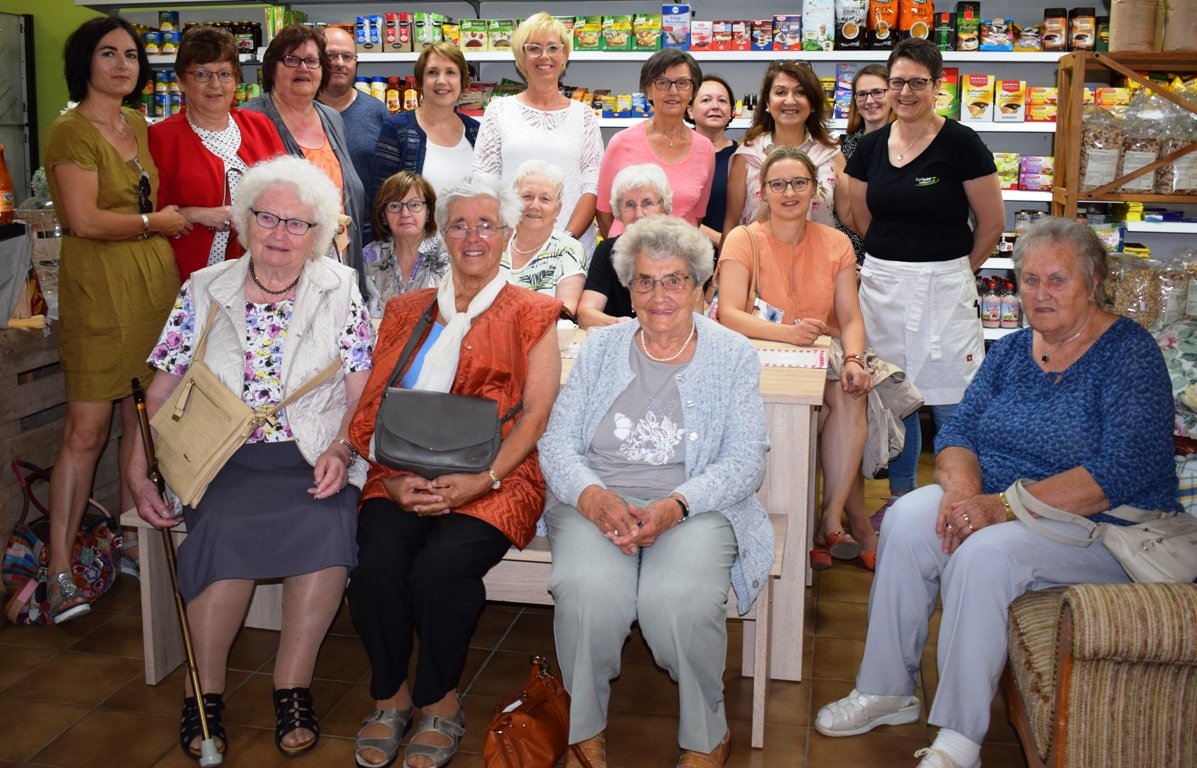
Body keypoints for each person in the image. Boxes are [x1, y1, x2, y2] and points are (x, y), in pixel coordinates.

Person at [814, 217, 1180, 768]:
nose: (1039, 294)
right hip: (1010, 506)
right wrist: (964, 496)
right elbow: (960, 431)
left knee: (982, 556)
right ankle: (888, 688)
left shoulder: (1129, 354)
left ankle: (959, 737)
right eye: (1029, 280)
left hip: (1103, 526)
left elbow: (1126, 468)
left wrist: (1003, 507)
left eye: (1057, 280)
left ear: (1093, 280)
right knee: (911, 519)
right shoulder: (1011, 352)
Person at [127, 156, 374, 761]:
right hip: (223, 457)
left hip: (312, 450)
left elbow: (360, 389)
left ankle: (292, 686)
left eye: (297, 224)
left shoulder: (338, 287)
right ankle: (202, 693)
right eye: (268, 218)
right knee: (224, 530)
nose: (281, 234)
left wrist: (343, 448)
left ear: (317, 235)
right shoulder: (204, 287)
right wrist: (135, 471)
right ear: (245, 221)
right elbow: (160, 387)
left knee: (329, 520)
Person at [538, 214, 773, 768]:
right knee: (588, 591)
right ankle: (585, 730)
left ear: (700, 287)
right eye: (645, 281)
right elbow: (556, 444)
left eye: (675, 280)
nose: (659, 294)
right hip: (597, 502)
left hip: (695, 505)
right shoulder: (601, 347)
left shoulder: (732, 353)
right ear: (628, 287)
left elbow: (744, 461)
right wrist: (593, 497)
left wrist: (676, 506)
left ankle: (707, 732)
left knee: (678, 603)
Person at [347, 174, 562, 768]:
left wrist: (484, 479)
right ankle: (391, 696)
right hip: (398, 471)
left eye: (486, 224)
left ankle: (440, 703)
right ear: (443, 233)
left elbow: (537, 415)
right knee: (377, 564)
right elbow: (369, 408)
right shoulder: (405, 309)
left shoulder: (534, 312)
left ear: (507, 234)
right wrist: (389, 478)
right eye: (461, 224)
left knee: (441, 569)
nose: (473, 236)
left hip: (499, 478)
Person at [42, 16, 189, 623]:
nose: (124, 65)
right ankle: (58, 570)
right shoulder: (69, 133)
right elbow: (85, 220)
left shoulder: (135, 123)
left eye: (131, 55)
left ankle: (130, 543)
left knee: (143, 423)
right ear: (85, 63)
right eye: (109, 54)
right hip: (99, 292)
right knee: (85, 430)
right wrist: (163, 223)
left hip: (152, 289)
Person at [845, 38, 1004, 512]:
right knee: (896, 398)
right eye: (898, 82)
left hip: (945, 289)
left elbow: (991, 224)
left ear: (938, 86)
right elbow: (859, 217)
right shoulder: (870, 147)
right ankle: (900, 502)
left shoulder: (962, 144)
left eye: (918, 82)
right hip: (883, 288)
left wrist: (953, 271)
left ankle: (961, 501)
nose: (906, 92)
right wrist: (898, 263)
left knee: (951, 399)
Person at [716, 147, 875, 569]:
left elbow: (850, 316)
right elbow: (729, 314)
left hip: (819, 362)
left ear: (816, 191)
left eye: (799, 183)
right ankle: (807, 522)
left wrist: (856, 359)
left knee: (849, 392)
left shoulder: (836, 242)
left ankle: (829, 517)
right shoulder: (743, 238)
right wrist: (788, 333)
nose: (789, 192)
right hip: (756, 363)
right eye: (778, 184)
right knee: (815, 409)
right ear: (762, 192)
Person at [149, 25, 285, 281]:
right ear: (180, 81)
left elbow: (286, 192)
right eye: (201, 74)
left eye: (224, 73)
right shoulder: (161, 138)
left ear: (236, 79)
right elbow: (148, 216)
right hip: (188, 277)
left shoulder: (259, 126)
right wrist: (194, 214)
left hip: (262, 274)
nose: (215, 84)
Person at [242, 24, 367, 288]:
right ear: (272, 69)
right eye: (291, 59)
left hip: (337, 258)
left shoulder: (331, 118)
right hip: (277, 264)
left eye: (312, 61)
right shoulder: (249, 119)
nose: (303, 68)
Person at [473, 13, 603, 254]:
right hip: (510, 249)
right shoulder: (499, 111)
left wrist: (563, 242)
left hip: (571, 250)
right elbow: (484, 183)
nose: (545, 56)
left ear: (564, 55)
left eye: (553, 47)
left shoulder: (584, 117)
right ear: (521, 56)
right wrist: (508, 238)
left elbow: (592, 188)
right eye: (534, 48)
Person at [596, 49, 715, 238]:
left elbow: (697, 215)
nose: (673, 91)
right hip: (629, 257)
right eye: (663, 83)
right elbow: (604, 213)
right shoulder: (621, 143)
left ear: (693, 91)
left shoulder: (705, 149)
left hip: (680, 257)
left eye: (683, 83)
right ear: (648, 90)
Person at [723, 61, 848, 234]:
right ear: (767, 101)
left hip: (818, 258)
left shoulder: (831, 155)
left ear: (812, 104)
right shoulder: (747, 156)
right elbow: (731, 222)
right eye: (780, 92)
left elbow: (850, 217)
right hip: (757, 258)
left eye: (800, 92)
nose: (790, 100)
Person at [372, 42, 479, 198]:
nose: (441, 80)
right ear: (420, 81)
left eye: (450, 72)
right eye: (432, 72)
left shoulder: (476, 131)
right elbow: (380, 198)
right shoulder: (397, 129)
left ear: (462, 82)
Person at [577, 164, 673, 329]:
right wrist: (622, 325)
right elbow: (585, 314)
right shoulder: (608, 251)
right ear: (618, 211)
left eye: (647, 203)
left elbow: (691, 317)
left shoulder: (681, 252)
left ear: (663, 207)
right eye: (629, 204)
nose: (639, 214)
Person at [317, 24, 390, 221]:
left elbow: (391, 183)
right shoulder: (301, 112)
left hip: (368, 234)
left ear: (356, 64)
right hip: (310, 230)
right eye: (330, 55)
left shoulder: (378, 113)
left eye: (347, 56)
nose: (339, 63)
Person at [504, 160, 587, 318]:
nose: (535, 205)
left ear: (558, 209)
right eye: (527, 197)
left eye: (545, 199)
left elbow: (566, 310)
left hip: (542, 338)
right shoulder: (495, 244)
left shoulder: (569, 249)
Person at [362, 171, 451, 318]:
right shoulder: (368, 257)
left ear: (428, 211)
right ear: (383, 215)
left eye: (414, 204)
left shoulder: (450, 254)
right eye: (395, 205)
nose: (405, 213)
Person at [837, 64, 892, 264]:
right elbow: (845, 211)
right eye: (862, 94)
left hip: (893, 253)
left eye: (877, 92)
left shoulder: (907, 147)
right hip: (847, 255)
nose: (869, 101)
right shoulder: (840, 147)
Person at [686, 75, 738, 249]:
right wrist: (719, 239)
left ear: (731, 110)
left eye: (722, 101)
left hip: (735, 254)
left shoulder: (742, 156)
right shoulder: (677, 155)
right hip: (685, 253)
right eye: (706, 100)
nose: (715, 106)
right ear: (690, 110)